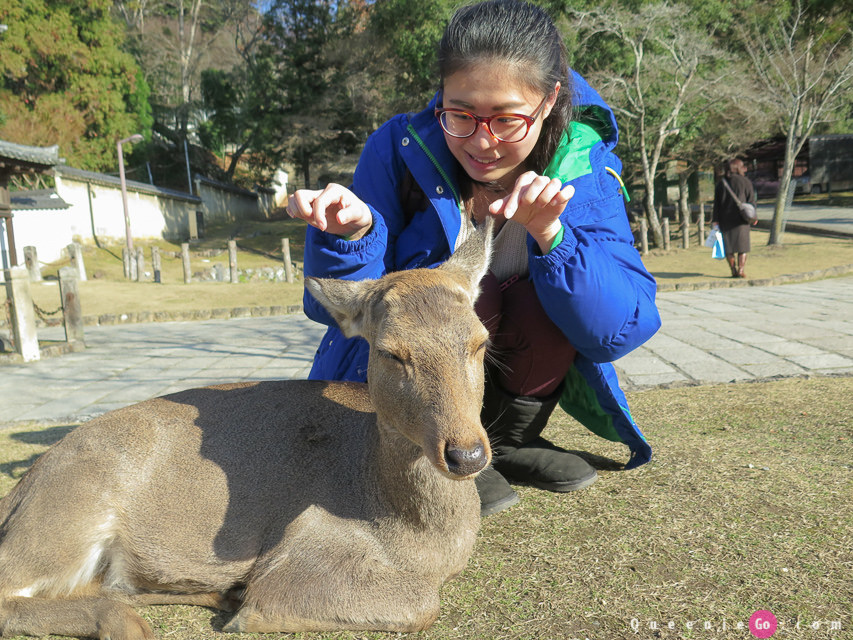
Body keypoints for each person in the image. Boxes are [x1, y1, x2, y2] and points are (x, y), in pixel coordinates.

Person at [287, 0, 661, 517]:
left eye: (507, 120)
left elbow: (620, 330)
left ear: (549, 101)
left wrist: (553, 236)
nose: (482, 143)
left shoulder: (587, 170)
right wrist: (352, 237)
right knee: (439, 310)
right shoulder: (397, 149)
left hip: (516, 375)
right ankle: (429, 448)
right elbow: (339, 311)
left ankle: (505, 442)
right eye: (460, 114)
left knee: (534, 298)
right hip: (408, 403)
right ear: (441, 96)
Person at [713, 158, 758, 278]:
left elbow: (716, 204)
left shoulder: (721, 183)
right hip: (741, 220)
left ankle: (733, 270)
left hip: (725, 220)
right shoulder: (745, 182)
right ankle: (741, 270)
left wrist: (715, 220)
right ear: (739, 168)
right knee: (743, 247)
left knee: (729, 247)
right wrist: (754, 216)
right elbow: (751, 201)